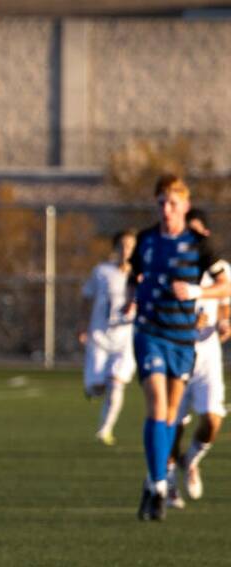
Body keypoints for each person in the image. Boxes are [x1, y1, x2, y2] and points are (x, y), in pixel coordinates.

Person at [126, 175, 229, 521]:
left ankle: (155, 475)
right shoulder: (146, 240)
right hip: (150, 332)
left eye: (173, 203)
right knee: (156, 405)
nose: (166, 210)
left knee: (172, 415)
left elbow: (224, 286)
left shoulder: (199, 245)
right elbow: (133, 277)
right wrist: (131, 301)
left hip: (184, 339)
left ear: (185, 206)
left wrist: (197, 292)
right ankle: (158, 485)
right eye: (161, 203)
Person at [168, 208, 230, 507]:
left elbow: (225, 303)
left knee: (212, 421)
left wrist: (224, 323)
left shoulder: (220, 270)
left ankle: (190, 461)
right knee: (172, 423)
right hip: (177, 352)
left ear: (204, 234)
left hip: (207, 356)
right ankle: (167, 485)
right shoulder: (174, 265)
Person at [79, 230, 137, 446]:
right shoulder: (102, 272)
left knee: (117, 383)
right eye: (122, 246)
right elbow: (87, 297)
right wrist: (82, 325)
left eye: (131, 246)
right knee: (98, 387)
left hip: (126, 339)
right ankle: (91, 388)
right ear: (115, 248)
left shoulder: (143, 274)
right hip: (100, 336)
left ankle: (105, 430)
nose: (126, 251)